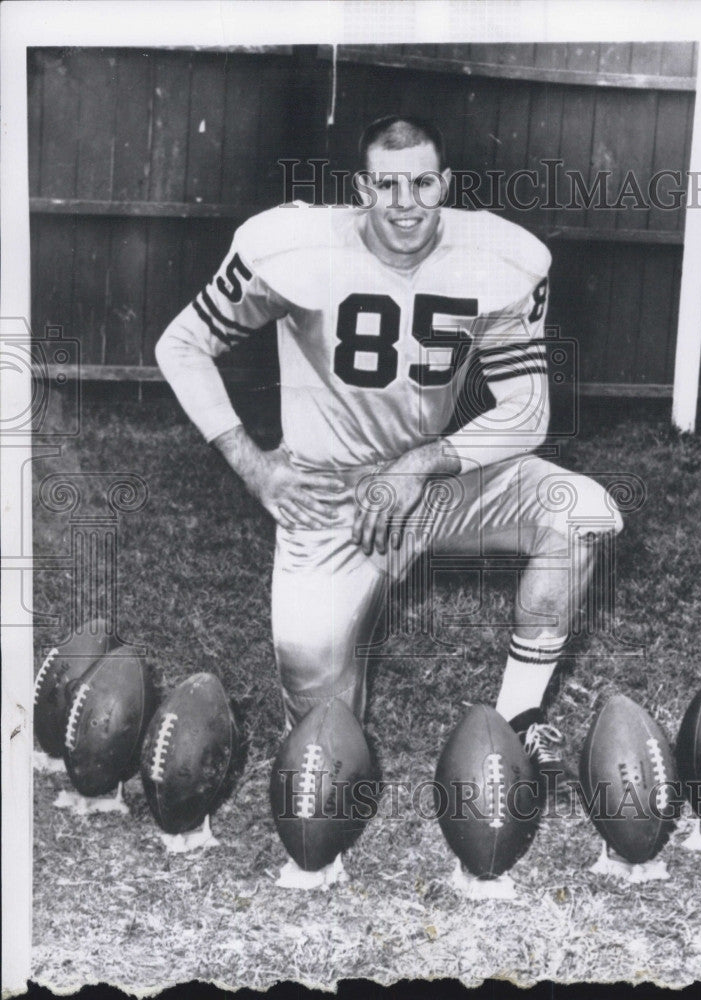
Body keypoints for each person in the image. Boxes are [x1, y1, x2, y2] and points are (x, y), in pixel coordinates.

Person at [156, 116, 623, 879]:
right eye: (387, 183)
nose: (406, 203)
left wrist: (423, 462)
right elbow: (182, 344)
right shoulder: (295, 250)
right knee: (314, 699)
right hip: (334, 494)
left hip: (434, 483)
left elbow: (526, 410)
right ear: (360, 187)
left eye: (424, 182)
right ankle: (323, 762)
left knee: (581, 513)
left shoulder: (497, 257)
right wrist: (253, 465)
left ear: (446, 183)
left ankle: (515, 724)